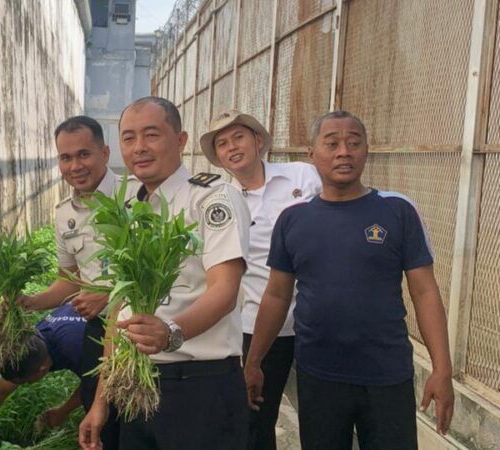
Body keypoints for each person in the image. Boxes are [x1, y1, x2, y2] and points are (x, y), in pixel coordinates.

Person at [243, 111, 454, 450]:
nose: (344, 152)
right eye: (332, 144)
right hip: (319, 375)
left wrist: (442, 370)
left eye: (354, 143)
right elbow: (277, 296)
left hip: (387, 374)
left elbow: (425, 291)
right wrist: (254, 362)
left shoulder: (397, 211)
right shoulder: (293, 220)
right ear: (312, 155)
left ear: (366, 150)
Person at [79, 96, 251, 450]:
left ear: (181, 140)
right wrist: (100, 401)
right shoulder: (126, 211)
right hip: (138, 388)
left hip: (200, 388)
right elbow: (118, 307)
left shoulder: (212, 199)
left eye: (151, 134)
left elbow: (224, 290)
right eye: (129, 138)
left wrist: (172, 332)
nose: (139, 147)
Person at [198, 109, 321, 450]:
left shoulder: (303, 176)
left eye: (238, 137)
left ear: (258, 141)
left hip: (318, 320)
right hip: (261, 325)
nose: (231, 147)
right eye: (222, 144)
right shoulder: (220, 201)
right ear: (219, 158)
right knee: (254, 417)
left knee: (324, 415)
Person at [18, 115, 122, 448]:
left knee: (139, 420)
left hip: (137, 330)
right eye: (65, 157)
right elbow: (70, 280)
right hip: (96, 332)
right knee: (102, 422)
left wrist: (107, 295)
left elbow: (159, 275)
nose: (74, 165)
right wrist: (31, 301)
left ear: (105, 153)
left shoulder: (138, 197)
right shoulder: (65, 213)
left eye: (84, 154)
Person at [0, 303, 86, 426]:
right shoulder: (29, 341)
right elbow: (0, 390)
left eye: (26, 382)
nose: (25, 385)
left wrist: (62, 411)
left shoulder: (76, 348)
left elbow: (96, 382)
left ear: (42, 370)